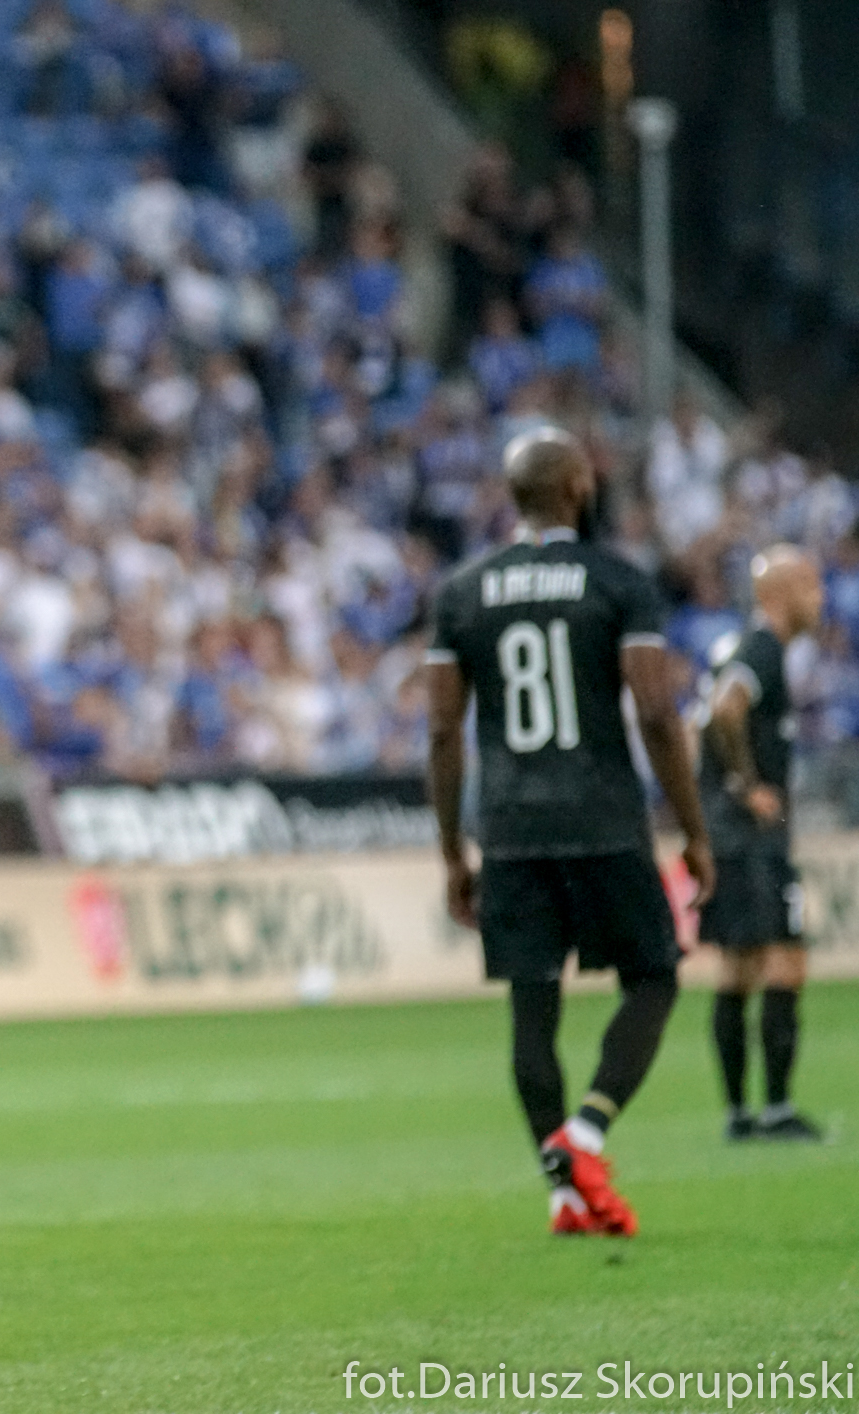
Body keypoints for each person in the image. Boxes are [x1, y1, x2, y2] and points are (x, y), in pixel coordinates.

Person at [425, 427, 715, 1238]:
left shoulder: (461, 591)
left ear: (512, 495)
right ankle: (582, 1137)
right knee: (652, 978)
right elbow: (654, 710)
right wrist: (693, 829)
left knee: (531, 1003)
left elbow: (442, 731)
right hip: (601, 816)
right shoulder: (617, 581)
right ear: (580, 488)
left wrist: (451, 851)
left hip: (510, 825)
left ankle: (561, 1198)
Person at [695, 546, 825, 1142]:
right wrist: (748, 786)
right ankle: (775, 1108)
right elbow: (725, 710)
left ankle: (738, 1113)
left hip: (726, 833)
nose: (819, 599)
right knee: (785, 960)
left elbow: (707, 716)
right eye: (811, 586)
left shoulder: (742, 647)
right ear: (782, 592)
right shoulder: (763, 647)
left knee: (738, 968)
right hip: (751, 837)